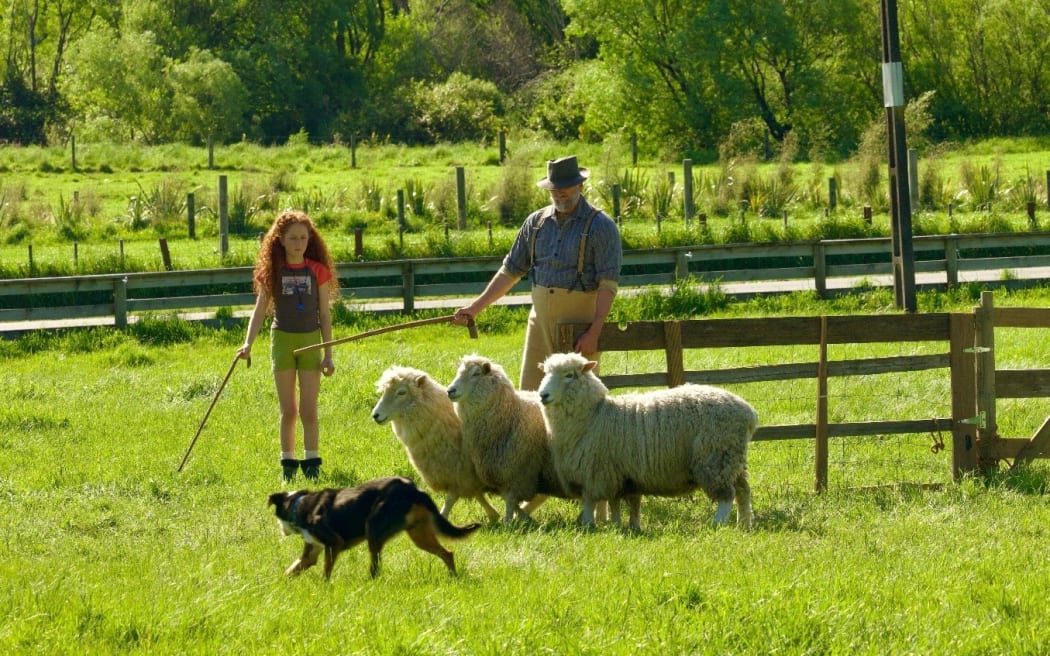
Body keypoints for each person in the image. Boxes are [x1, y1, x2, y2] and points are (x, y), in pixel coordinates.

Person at [454, 155, 622, 390]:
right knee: (532, 394)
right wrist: (475, 308)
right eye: (555, 189)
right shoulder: (536, 222)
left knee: (577, 397)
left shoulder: (601, 226)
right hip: (539, 323)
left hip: (580, 326)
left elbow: (608, 285)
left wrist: (594, 331)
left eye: (565, 188)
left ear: (580, 186)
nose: (559, 194)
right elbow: (510, 271)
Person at [237, 210, 339, 481]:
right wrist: (248, 344)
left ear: (310, 240)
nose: (298, 243)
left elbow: (325, 316)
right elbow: (259, 311)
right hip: (282, 340)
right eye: (292, 237)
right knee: (289, 410)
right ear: (280, 239)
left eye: (303, 237)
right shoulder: (274, 272)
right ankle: (288, 465)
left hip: (309, 341)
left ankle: (312, 462)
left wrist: (328, 355)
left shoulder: (318, 271)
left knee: (308, 409)